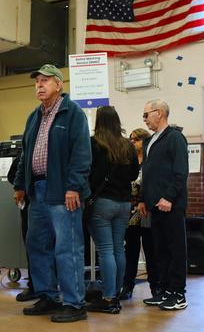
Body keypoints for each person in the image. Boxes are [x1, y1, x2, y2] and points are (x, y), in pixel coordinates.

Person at [13, 64, 91, 323]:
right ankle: (47, 295)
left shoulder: (73, 114)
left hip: (63, 190)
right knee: (36, 244)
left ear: (59, 84)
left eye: (45, 81)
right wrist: (20, 185)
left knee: (67, 248)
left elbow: (81, 154)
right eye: (37, 82)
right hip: (37, 191)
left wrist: (73, 187)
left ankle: (74, 302)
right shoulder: (34, 116)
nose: (39, 85)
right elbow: (25, 153)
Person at [86, 106, 139, 314]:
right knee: (118, 248)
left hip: (102, 202)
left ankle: (108, 298)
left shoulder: (94, 143)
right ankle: (115, 293)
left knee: (106, 250)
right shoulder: (127, 145)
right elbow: (134, 174)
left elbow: (87, 171)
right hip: (124, 203)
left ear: (99, 121)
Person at [138, 99, 189, 311]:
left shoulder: (174, 137)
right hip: (155, 206)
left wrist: (168, 197)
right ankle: (165, 291)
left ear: (159, 113)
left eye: (146, 114)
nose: (144, 119)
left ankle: (178, 294)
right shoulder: (150, 141)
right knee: (160, 250)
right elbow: (148, 174)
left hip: (171, 205)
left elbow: (180, 172)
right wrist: (143, 199)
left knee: (175, 249)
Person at [119, 128, 158, 300]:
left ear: (145, 141)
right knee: (131, 250)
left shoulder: (151, 160)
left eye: (136, 139)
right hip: (130, 209)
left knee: (151, 250)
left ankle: (155, 288)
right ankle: (127, 286)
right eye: (131, 139)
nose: (132, 142)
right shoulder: (128, 160)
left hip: (147, 208)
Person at [6, 151, 36, 302]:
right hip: (54, 202)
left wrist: (22, 187)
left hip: (30, 203)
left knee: (32, 245)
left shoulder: (25, 152)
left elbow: (12, 176)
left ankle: (35, 286)